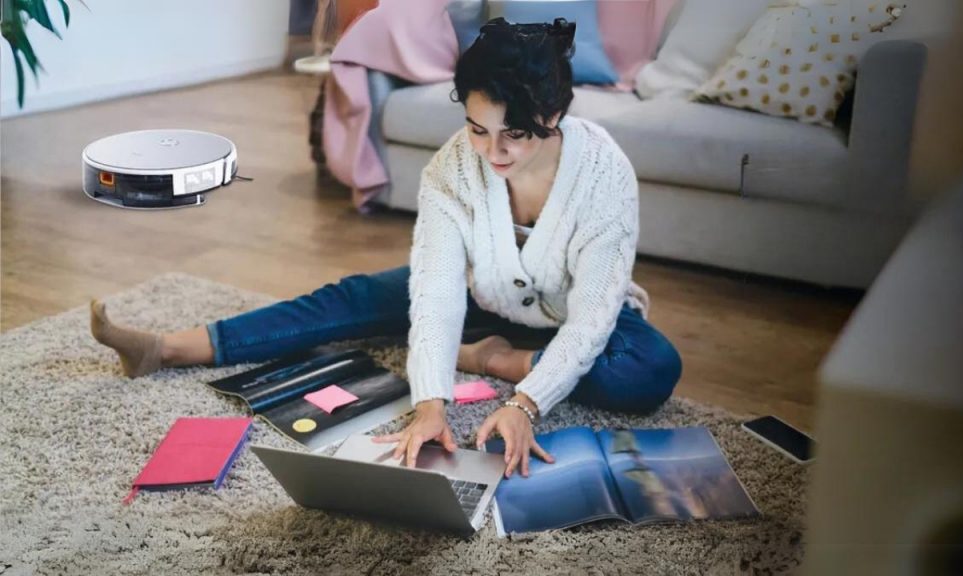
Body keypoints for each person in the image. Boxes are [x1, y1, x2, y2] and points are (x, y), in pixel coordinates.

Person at [89, 17, 683, 480]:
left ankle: (488, 358)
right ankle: (166, 348)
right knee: (351, 298)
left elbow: (591, 322)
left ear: (553, 115)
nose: (493, 152)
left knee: (651, 368)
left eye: (515, 134)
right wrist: (429, 403)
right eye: (478, 129)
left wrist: (524, 399)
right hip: (485, 297)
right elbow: (436, 291)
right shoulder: (454, 165)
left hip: (574, 316)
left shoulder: (604, 173)